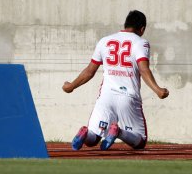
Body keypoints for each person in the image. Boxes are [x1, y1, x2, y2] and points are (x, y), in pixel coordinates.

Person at [62, 10, 169, 151]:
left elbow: (89, 71)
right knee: (140, 141)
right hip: (128, 97)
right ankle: (118, 132)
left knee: (93, 138)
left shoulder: (104, 41)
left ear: (125, 24)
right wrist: (158, 90)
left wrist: (71, 86)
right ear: (142, 29)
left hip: (106, 97)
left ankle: (85, 133)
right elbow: (144, 70)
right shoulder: (141, 43)